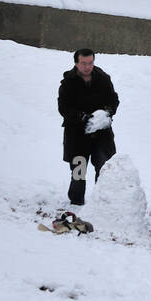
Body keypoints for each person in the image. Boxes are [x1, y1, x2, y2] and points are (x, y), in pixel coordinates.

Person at [57, 49, 119, 207]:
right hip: (77, 136)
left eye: (90, 62)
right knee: (79, 171)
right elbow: (63, 108)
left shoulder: (103, 79)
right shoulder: (68, 82)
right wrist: (82, 117)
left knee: (104, 168)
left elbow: (114, 100)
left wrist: (106, 113)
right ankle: (76, 203)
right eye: (84, 63)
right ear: (76, 63)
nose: (87, 66)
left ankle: (101, 203)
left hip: (101, 135)